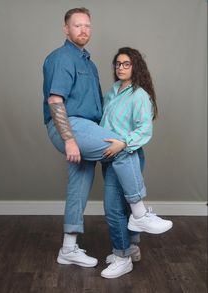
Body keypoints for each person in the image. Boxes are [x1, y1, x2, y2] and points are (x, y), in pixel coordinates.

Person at [43, 7, 171, 270]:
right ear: (66, 29)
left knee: (78, 186)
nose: (83, 30)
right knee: (119, 144)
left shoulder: (87, 63)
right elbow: (55, 100)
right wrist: (69, 139)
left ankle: (68, 248)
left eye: (88, 26)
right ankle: (139, 213)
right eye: (77, 25)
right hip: (72, 126)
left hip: (87, 128)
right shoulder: (61, 58)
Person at [99, 47, 173, 278]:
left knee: (113, 209)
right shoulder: (113, 91)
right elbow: (103, 120)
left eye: (126, 64)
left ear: (135, 66)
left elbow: (144, 129)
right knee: (119, 209)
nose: (120, 68)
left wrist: (123, 143)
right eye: (117, 64)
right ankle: (130, 248)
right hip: (109, 157)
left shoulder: (139, 94)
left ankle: (122, 258)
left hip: (126, 155)